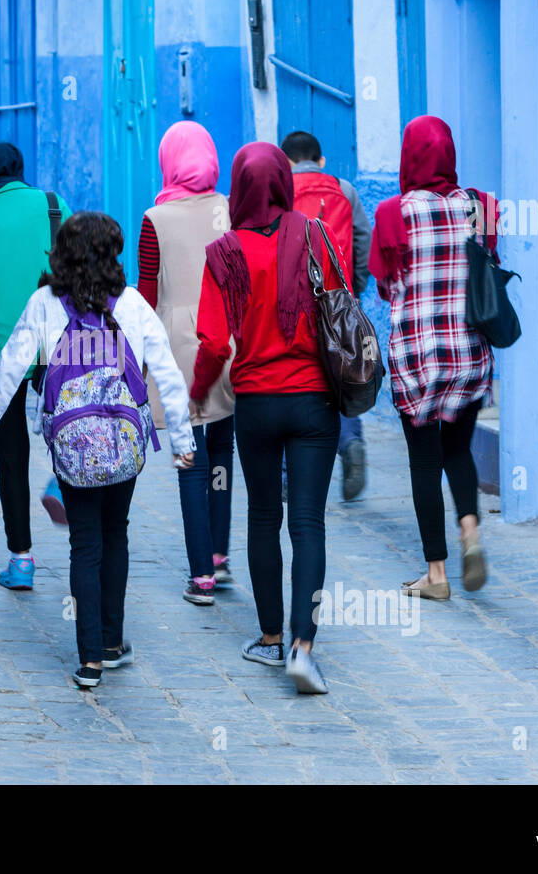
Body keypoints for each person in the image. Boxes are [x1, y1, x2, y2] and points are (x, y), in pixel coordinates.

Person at [0, 211, 196, 688]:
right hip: (123, 447)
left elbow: (8, 368)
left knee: (84, 544)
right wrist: (183, 440)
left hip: (73, 453)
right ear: (113, 253)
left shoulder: (45, 304)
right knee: (117, 535)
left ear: (62, 253)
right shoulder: (132, 305)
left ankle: (89, 660)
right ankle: (112, 642)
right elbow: (169, 374)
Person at [192, 143, 345, 694]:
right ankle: (304, 646)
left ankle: (271, 637)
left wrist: (197, 391)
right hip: (315, 401)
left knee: (262, 518)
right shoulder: (314, 234)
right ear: (284, 181)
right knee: (308, 523)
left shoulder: (224, 252)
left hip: (255, 402)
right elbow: (338, 303)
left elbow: (211, 341)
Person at [370, 115, 495, 600]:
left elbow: (384, 286)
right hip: (469, 354)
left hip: (418, 359)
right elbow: (490, 264)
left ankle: (437, 575)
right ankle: (470, 530)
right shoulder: (480, 206)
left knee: (424, 463)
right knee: (458, 450)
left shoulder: (391, 214)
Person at [0, 142, 72, 591]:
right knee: (67, 418)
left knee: (9, 447)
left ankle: (20, 560)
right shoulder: (53, 204)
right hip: (54, 331)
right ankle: (62, 483)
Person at [137, 121, 236, 605]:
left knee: (188, 458)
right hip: (229, 343)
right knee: (222, 451)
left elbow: (148, 294)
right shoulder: (228, 211)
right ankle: (218, 555)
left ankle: (201, 576)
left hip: (178, 347)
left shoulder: (156, 218)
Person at [281, 130, 373, 502]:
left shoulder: (280, 189)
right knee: (341, 376)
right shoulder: (344, 189)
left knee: (293, 379)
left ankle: (287, 475)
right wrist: (356, 285)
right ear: (320, 161)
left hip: (293, 302)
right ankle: (350, 441)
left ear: (286, 162)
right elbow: (362, 237)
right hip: (339, 300)